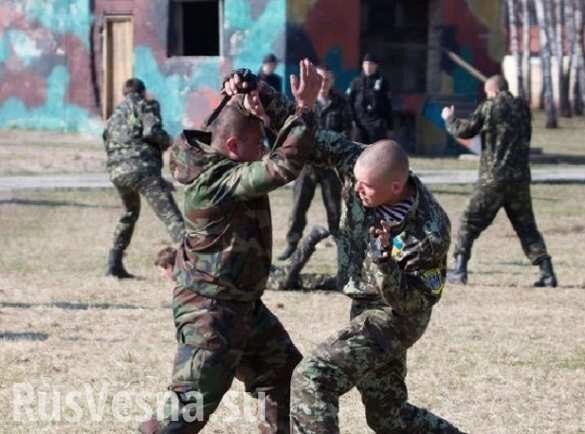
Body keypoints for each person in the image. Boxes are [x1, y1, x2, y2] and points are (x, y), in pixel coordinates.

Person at [224, 74, 467, 433]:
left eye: (367, 188)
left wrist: (385, 261)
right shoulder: (358, 165)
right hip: (363, 304)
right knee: (389, 417)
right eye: (357, 182)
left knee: (313, 377)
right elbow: (307, 141)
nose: (358, 190)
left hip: (396, 317)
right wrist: (256, 89)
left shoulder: (430, 231)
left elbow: (416, 303)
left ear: (396, 187)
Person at [138, 59, 322, 434]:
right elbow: (284, 166)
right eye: (258, 144)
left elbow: (262, 143)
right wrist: (304, 110)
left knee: (281, 370)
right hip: (211, 311)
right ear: (235, 146)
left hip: (240, 305)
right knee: (187, 409)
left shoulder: (219, 159)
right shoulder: (214, 180)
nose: (264, 149)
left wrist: (247, 99)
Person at [442, 75, 557, 287]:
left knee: (469, 222)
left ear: (493, 91)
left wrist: (449, 118)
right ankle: (547, 272)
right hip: (520, 179)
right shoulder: (523, 108)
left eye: (488, 93)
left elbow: (464, 131)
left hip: (493, 179)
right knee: (527, 227)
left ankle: (459, 270)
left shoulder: (489, 107)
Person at [103, 78, 184, 278]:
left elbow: (106, 139)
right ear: (143, 92)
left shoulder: (114, 115)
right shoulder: (146, 105)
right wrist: (170, 142)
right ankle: (195, 265)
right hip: (142, 168)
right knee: (171, 217)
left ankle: (114, 264)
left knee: (129, 213)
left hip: (117, 172)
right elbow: (152, 131)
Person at [278, 64, 352, 262]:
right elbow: (294, 130)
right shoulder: (304, 104)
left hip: (330, 166)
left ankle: (341, 251)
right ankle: (292, 245)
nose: (324, 83)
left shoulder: (341, 103)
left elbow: (347, 132)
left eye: (327, 79)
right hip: (307, 166)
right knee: (298, 209)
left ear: (332, 81)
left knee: (335, 210)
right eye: (321, 79)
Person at [347, 53, 393, 143]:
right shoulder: (356, 82)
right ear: (363, 66)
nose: (368, 67)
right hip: (360, 125)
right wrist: (352, 121)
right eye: (366, 64)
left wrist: (390, 126)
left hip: (377, 126)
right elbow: (349, 102)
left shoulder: (383, 82)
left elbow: (388, 105)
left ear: (376, 66)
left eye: (371, 64)